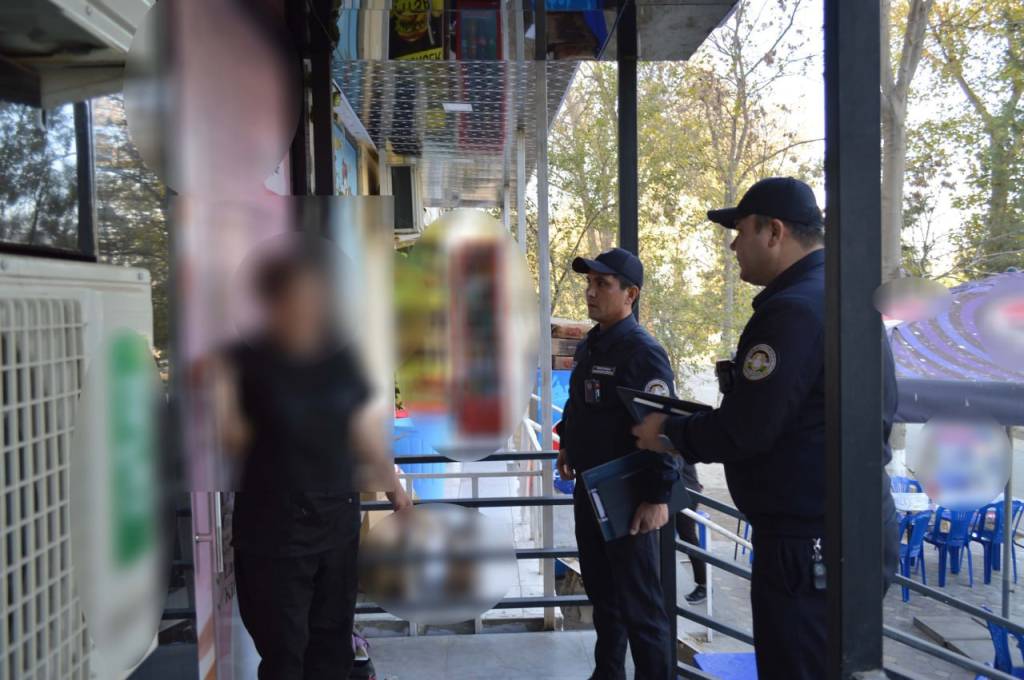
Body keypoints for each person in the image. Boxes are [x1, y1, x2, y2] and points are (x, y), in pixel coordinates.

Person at [632, 177, 899, 680]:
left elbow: (746, 429)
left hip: (810, 542)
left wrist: (667, 432)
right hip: (845, 530)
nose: (733, 246)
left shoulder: (794, 309)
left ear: (774, 231)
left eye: (741, 231)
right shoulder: (842, 296)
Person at [209, 244, 412, 680]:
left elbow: (361, 430)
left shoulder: (338, 360)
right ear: (272, 301)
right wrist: (221, 391)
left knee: (332, 650)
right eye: (298, 295)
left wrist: (394, 487)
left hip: (336, 523)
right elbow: (231, 441)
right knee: (284, 656)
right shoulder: (245, 363)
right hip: (273, 533)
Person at [555, 247, 680, 680]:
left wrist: (657, 497)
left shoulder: (641, 352)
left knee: (641, 608)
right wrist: (568, 443)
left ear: (631, 294)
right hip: (590, 490)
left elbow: (664, 425)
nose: (591, 292)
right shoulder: (593, 343)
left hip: (628, 497)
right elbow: (580, 403)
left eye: (602, 284)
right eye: (589, 283)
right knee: (604, 598)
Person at [676, 461, 707, 604]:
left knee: (688, 537)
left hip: (686, 491)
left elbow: (675, 464)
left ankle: (703, 585)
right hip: (682, 489)